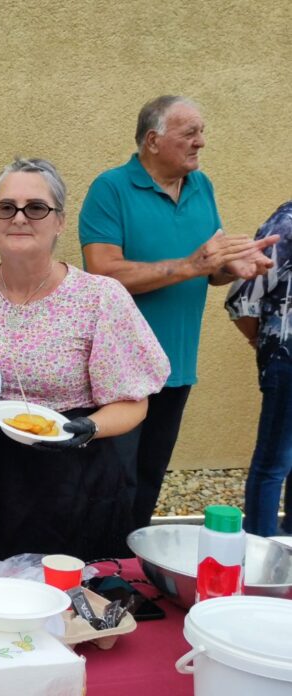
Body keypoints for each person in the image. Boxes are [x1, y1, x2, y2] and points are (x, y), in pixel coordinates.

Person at [0, 158, 170, 562]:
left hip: (71, 476)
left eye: (36, 208)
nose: (20, 218)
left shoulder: (100, 297)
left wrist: (84, 428)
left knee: (66, 599)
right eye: (6, 207)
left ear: (60, 221)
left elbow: (134, 401)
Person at [79, 95, 277, 530]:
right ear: (153, 140)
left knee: (148, 481)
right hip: (120, 372)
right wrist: (194, 264)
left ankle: (130, 580)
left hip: (176, 366)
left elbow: (208, 268)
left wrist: (233, 268)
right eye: (190, 133)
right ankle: (97, 578)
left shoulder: (201, 187)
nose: (201, 143)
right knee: (110, 484)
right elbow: (103, 272)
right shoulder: (110, 189)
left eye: (201, 132)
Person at [226, 201, 292, 537]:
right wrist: (264, 342)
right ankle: (259, 557)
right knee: (274, 464)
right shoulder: (286, 223)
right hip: (287, 360)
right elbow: (241, 297)